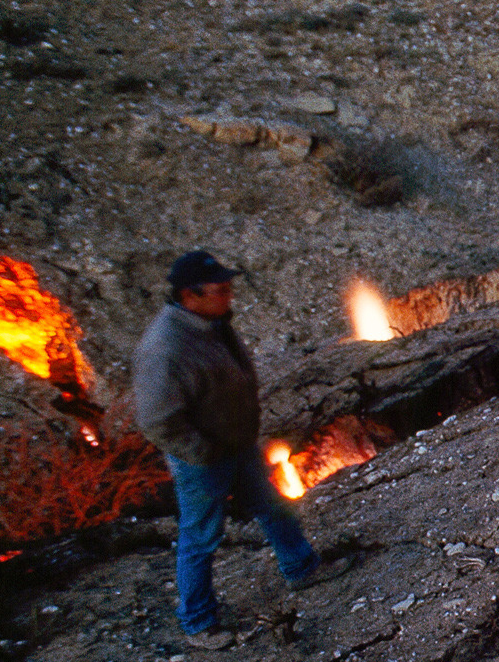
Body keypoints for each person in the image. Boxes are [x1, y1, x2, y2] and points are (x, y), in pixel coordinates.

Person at [133, 250, 351, 639]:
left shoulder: (210, 323)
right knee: (201, 536)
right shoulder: (166, 348)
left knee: (273, 506)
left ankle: (302, 568)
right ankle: (198, 622)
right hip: (203, 459)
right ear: (189, 296)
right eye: (221, 290)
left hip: (237, 444)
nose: (229, 296)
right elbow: (156, 420)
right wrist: (203, 453)